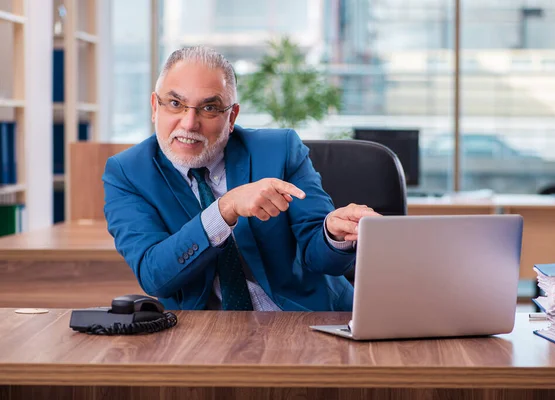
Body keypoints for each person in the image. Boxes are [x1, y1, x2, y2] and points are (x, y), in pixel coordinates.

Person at [103, 46, 380, 311]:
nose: (189, 123)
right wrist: (224, 210)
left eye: (209, 108)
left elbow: (318, 254)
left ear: (231, 116)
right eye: (175, 104)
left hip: (307, 320)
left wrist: (332, 234)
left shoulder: (279, 150)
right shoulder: (127, 173)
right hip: (207, 336)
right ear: (155, 106)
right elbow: (155, 275)